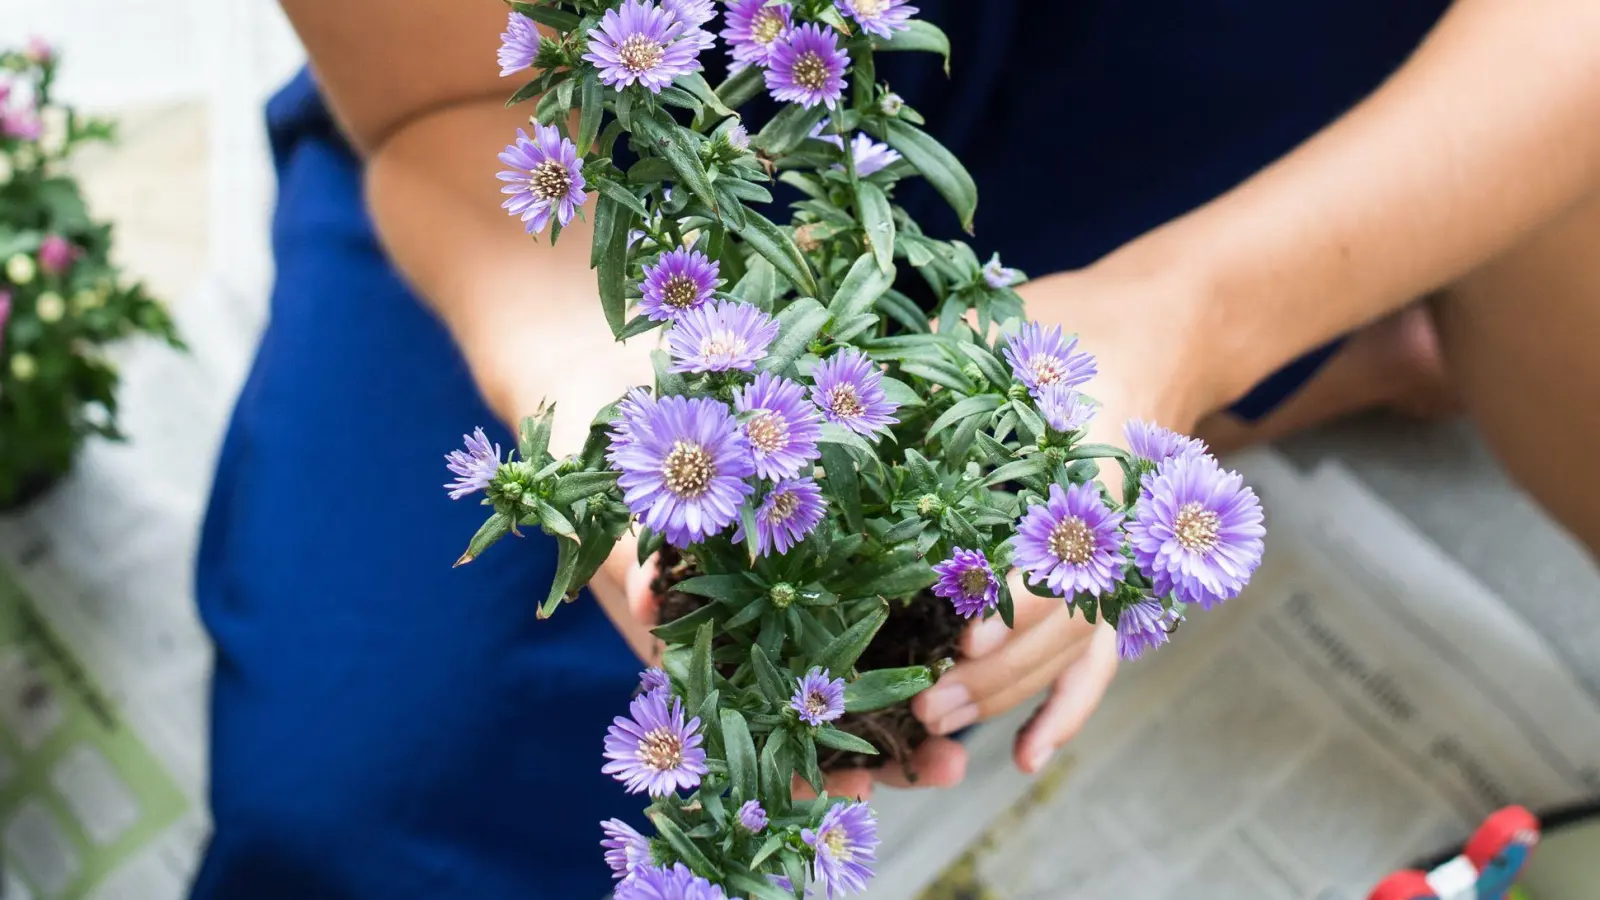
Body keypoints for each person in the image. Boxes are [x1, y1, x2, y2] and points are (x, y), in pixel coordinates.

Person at [189, 0, 1600, 896]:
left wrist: (1188, 318)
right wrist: (597, 380)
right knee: (358, 828)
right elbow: (445, 102)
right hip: (655, 154)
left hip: (1236, 49)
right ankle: (1317, 362)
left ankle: (1308, 322)